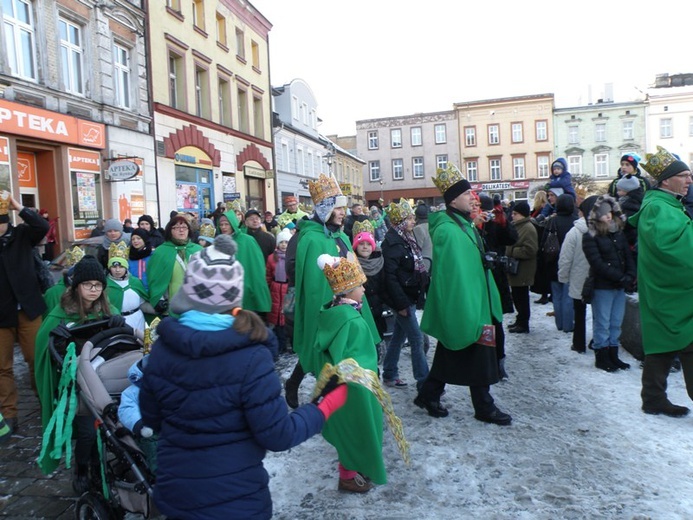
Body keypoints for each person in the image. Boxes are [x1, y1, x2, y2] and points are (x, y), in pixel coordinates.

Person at [139, 235, 347, 518]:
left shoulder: (163, 348)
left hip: (176, 496)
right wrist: (323, 406)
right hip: (236, 501)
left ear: (189, 291)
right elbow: (277, 435)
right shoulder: (250, 357)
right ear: (234, 294)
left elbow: (151, 418)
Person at [415, 166, 511, 425]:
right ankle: (484, 407)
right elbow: (452, 277)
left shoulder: (463, 225)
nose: (473, 197)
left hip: (475, 302)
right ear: (453, 199)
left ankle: (429, 394)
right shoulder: (448, 230)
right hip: (466, 306)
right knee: (476, 354)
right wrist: (464, 310)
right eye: (468, 193)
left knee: (452, 353)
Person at [284, 174, 379, 408]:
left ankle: (333, 399)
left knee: (337, 351)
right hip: (323, 303)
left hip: (348, 300)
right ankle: (307, 391)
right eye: (337, 208)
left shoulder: (340, 235)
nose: (342, 212)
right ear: (325, 209)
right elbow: (296, 270)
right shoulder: (308, 238)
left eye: (343, 208)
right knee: (317, 348)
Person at [34, 255, 119, 488]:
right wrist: (58, 340)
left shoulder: (108, 310)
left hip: (103, 380)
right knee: (87, 433)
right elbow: (43, 350)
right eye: (88, 285)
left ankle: (97, 465)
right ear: (77, 286)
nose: (94, 290)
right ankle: (82, 469)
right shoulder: (60, 314)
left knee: (105, 432)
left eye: (98, 285)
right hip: (77, 385)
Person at [628, 146, 693, 416]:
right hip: (672, 291)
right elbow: (674, 249)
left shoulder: (664, 204)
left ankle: (653, 398)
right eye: (685, 176)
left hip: (668, 289)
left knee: (662, 344)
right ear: (666, 180)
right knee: (688, 342)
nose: (690, 181)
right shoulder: (658, 207)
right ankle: (653, 397)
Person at [313, 253, 386, 492]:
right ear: (347, 291)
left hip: (342, 385)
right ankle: (348, 475)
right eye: (360, 286)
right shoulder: (352, 321)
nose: (364, 289)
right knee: (359, 427)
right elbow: (356, 357)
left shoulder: (333, 313)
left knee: (349, 429)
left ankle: (353, 468)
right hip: (356, 387)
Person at [0, 191, 49, 438]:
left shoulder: (21, 235)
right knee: (2, 367)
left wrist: (18, 206)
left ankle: (45, 405)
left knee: (36, 360)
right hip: (1, 315)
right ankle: (9, 415)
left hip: (29, 310)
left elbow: (42, 225)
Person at [582, 195, 635, 372]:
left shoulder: (617, 233)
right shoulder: (590, 236)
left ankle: (613, 354)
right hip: (603, 286)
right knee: (602, 323)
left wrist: (630, 274)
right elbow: (597, 263)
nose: (609, 216)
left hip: (619, 286)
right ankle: (602, 356)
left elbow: (627, 256)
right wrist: (620, 277)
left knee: (615, 322)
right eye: (604, 213)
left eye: (610, 212)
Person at [381, 199, 430, 390]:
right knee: (416, 339)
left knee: (399, 337)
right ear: (400, 222)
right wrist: (401, 305)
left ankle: (390, 373)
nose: (413, 221)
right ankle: (423, 381)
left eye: (412, 218)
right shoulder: (393, 244)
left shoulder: (406, 239)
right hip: (400, 299)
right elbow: (390, 278)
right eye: (409, 218)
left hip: (407, 295)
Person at [558, 195, 598, 354]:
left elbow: (565, 258)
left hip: (578, 278)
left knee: (579, 313)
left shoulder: (574, 232)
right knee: (599, 313)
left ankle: (578, 343)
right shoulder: (605, 229)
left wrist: (563, 277)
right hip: (598, 278)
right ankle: (597, 340)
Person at [146, 213, 202, 317]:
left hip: (196, 305)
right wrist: (159, 299)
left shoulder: (197, 250)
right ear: (170, 231)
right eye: (177, 227)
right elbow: (154, 278)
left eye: (184, 227)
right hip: (172, 305)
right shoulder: (161, 252)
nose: (181, 230)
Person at [218, 209, 272, 314]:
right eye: (221, 224)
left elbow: (256, 266)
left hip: (246, 287)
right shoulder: (218, 243)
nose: (224, 227)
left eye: (226, 224)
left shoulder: (247, 240)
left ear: (233, 224)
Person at [353, 222, 388, 348]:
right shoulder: (352, 263)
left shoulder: (379, 260)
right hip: (361, 309)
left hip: (378, 307)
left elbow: (384, 285)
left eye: (368, 244)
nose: (365, 247)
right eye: (361, 244)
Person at [505, 201, 538, 334]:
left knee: (522, 298)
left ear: (523, 215)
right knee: (517, 296)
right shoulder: (518, 226)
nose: (512, 216)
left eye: (515, 214)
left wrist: (513, 252)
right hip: (516, 268)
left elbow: (531, 249)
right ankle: (520, 320)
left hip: (523, 269)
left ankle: (523, 324)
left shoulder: (528, 228)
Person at [548, 194, 578, 333]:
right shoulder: (576, 222)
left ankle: (559, 323)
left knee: (557, 295)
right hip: (571, 262)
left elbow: (544, 243)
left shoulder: (552, 221)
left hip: (553, 262)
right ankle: (568, 325)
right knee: (568, 296)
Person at [106, 244, 148, 332]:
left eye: (121, 267)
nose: (117, 270)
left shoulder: (135, 282)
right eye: (114, 267)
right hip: (118, 323)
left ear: (126, 267)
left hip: (138, 320)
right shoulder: (105, 285)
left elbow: (143, 302)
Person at [266, 229, 292, 354]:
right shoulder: (272, 258)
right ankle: (279, 345)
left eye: (286, 242)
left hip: (288, 289)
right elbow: (268, 275)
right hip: (276, 288)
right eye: (281, 242)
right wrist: (269, 286)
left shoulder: (291, 257)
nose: (284, 245)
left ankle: (289, 342)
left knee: (287, 317)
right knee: (276, 319)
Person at [615, 175, 643, 252]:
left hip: (631, 237)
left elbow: (629, 222)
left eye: (619, 190)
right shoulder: (635, 200)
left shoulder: (629, 204)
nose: (617, 192)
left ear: (627, 191)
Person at [413, 202, 432, 271]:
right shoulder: (433, 226)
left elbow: (416, 249)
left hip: (425, 265)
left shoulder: (418, 228)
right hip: (434, 263)